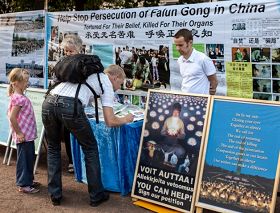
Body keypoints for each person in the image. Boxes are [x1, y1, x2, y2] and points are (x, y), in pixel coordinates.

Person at [42, 64, 134, 206]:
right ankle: (96, 195)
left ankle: (55, 195)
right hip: (69, 106)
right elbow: (110, 121)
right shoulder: (106, 83)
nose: (119, 87)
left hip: (48, 102)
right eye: (120, 83)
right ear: (115, 77)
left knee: (53, 148)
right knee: (90, 149)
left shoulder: (86, 74)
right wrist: (126, 119)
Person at [7, 68, 40, 194]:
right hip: (24, 136)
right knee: (24, 160)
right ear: (16, 83)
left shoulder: (20, 96)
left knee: (28, 158)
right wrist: (19, 133)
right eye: (25, 81)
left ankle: (28, 180)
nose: (27, 84)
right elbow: (12, 117)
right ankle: (23, 184)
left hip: (27, 135)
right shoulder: (19, 98)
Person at [58, 34, 84, 173]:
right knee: (67, 132)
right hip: (66, 103)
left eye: (71, 51)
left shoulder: (84, 63)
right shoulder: (62, 63)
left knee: (80, 132)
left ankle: (80, 160)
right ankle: (71, 160)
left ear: (79, 50)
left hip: (80, 102)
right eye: (66, 51)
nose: (68, 53)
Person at [173, 29, 218, 95]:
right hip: (184, 98)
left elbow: (214, 81)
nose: (177, 48)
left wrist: (208, 97)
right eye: (176, 45)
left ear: (190, 43)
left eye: (180, 45)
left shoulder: (203, 59)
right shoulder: (180, 60)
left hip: (201, 101)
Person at [160, 103, 186, 167]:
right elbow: (161, 132)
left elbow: (183, 136)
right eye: (174, 112)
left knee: (181, 152)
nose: (175, 114)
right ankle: (166, 156)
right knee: (161, 148)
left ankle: (170, 158)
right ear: (172, 111)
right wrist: (167, 132)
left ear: (179, 113)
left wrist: (177, 135)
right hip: (166, 143)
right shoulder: (167, 120)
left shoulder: (181, 122)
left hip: (174, 144)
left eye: (177, 112)